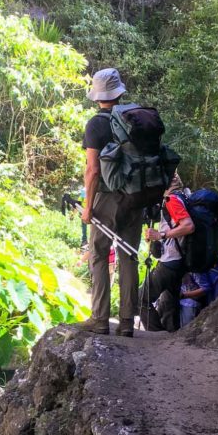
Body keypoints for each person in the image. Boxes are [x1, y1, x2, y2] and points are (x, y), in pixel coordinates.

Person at [77, 68, 143, 337]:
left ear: (97, 97)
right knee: (129, 256)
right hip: (136, 196)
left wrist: (88, 206)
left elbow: (93, 170)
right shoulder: (134, 119)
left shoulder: (97, 124)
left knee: (99, 255)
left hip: (106, 197)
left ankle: (100, 319)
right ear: (119, 94)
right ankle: (127, 323)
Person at [138, 173, 195, 332]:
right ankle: (170, 336)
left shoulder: (172, 200)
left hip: (171, 260)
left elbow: (188, 226)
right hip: (180, 260)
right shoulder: (185, 196)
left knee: (142, 299)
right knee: (170, 302)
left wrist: (161, 235)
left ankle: (156, 334)